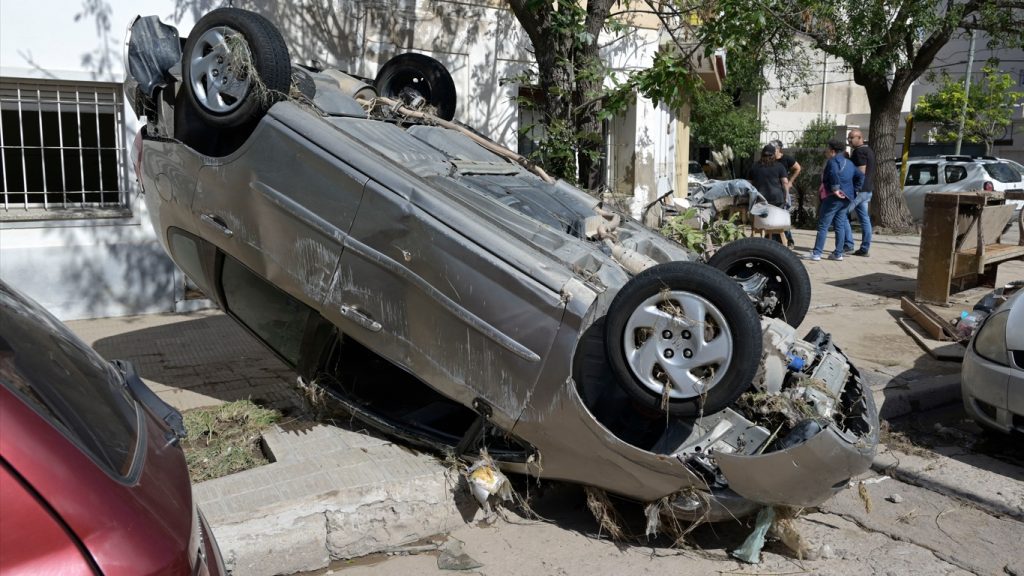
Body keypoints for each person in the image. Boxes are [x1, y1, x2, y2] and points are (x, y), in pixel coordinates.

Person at [807, 138, 863, 261]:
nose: (826, 151)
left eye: (827, 149)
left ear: (832, 150)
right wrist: (855, 190)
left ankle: (817, 253)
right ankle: (838, 254)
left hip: (833, 197)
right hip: (847, 198)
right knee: (840, 225)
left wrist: (835, 189)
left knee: (823, 225)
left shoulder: (832, 161)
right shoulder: (849, 163)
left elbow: (833, 173)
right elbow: (860, 176)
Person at [746, 144, 789, 243]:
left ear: (762, 154)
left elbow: (748, 184)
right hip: (777, 200)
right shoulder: (779, 166)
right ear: (774, 155)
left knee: (761, 222)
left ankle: (764, 240)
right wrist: (786, 196)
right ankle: (775, 241)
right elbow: (785, 182)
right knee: (776, 222)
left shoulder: (754, 166)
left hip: (760, 201)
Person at [842, 129, 875, 256]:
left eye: (852, 138)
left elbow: (860, 172)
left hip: (859, 191)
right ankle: (864, 249)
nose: (849, 140)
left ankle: (848, 245)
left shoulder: (859, 152)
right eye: (848, 138)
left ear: (860, 137)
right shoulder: (868, 150)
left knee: (842, 214)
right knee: (864, 219)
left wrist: (847, 160)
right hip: (867, 190)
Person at [770, 139, 802, 248]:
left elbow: (798, 168)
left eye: (773, 148)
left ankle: (789, 239)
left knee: (783, 216)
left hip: (783, 190)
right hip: (772, 191)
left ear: (778, 149)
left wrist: (790, 182)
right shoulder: (769, 159)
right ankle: (774, 239)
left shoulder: (786, 159)